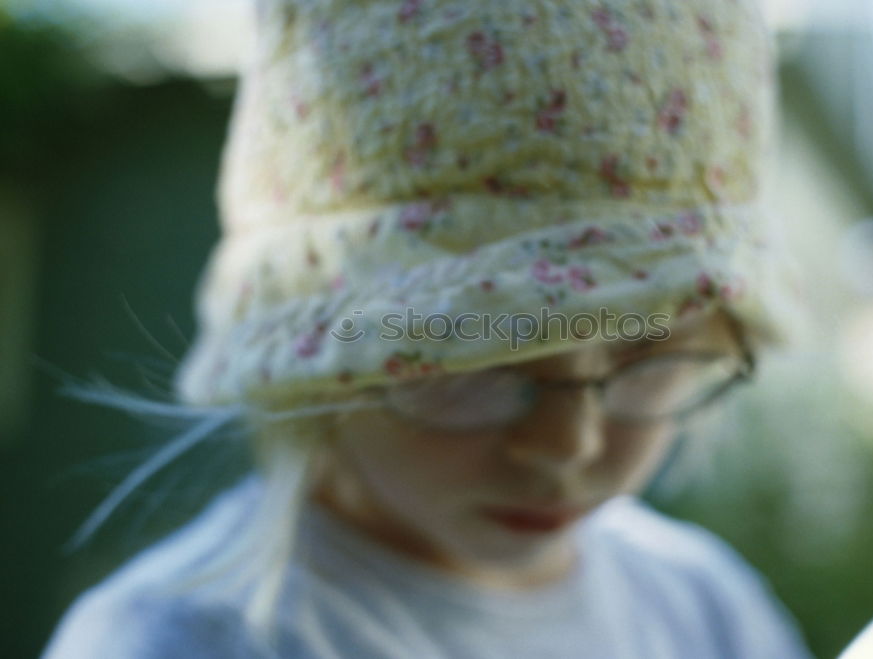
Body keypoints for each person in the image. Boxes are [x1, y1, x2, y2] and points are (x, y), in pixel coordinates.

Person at [42, 0, 811, 657]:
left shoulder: (702, 608)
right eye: (477, 357)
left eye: (650, 360)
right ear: (317, 362)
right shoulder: (183, 638)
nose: (566, 442)